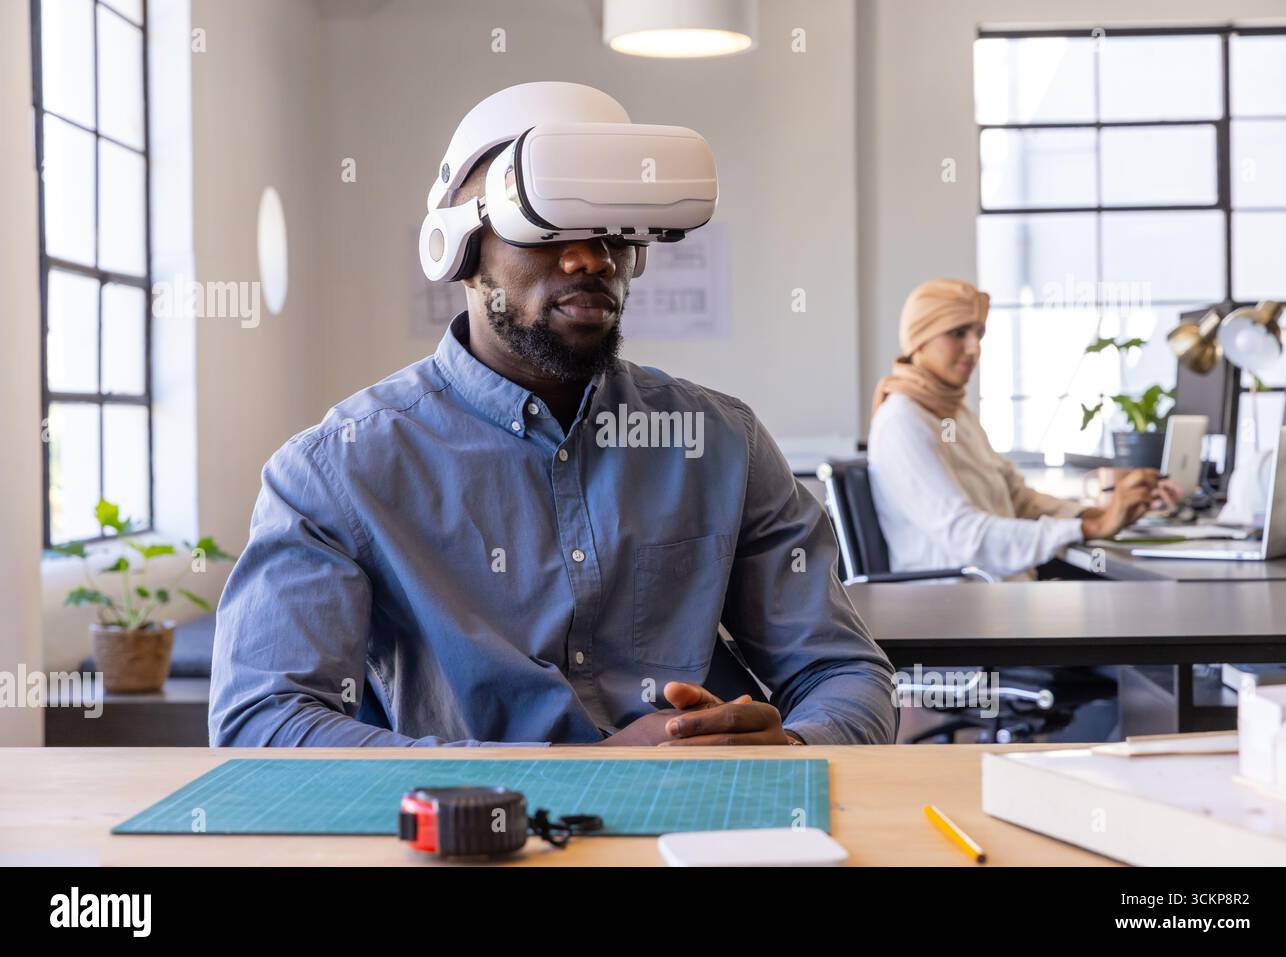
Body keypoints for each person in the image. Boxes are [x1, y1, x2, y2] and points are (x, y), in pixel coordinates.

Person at [208, 83, 897, 748]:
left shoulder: (722, 446)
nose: (591, 259)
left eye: (613, 229)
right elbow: (262, 721)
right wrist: (582, 772)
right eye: (547, 225)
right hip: (474, 840)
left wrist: (797, 741)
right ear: (459, 249)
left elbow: (845, 671)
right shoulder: (339, 469)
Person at [867, 278, 1180, 582]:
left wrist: (1101, 513)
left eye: (979, 333)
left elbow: (1019, 501)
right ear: (919, 338)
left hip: (1000, 594)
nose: (974, 348)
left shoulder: (955, 414)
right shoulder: (902, 421)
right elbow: (967, 539)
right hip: (957, 610)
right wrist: (1087, 529)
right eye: (958, 333)